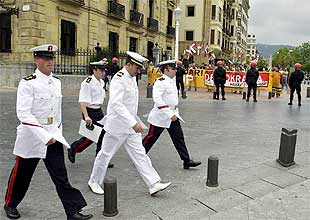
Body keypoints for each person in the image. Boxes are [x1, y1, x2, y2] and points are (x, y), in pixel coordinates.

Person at [3, 44, 93, 220]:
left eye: (51, 58)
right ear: (36, 60)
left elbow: (55, 113)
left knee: (61, 176)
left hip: (54, 138)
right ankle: (10, 204)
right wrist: (44, 136)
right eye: (45, 58)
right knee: (22, 175)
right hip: (32, 139)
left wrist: (57, 133)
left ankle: (72, 211)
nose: (50, 62)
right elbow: (23, 113)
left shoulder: (57, 82)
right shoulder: (28, 83)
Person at [88, 51, 171, 196]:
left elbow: (130, 104)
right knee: (105, 154)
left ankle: (153, 184)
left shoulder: (132, 77)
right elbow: (116, 104)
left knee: (140, 154)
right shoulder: (119, 79)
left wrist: (134, 122)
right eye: (137, 68)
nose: (139, 71)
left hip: (131, 126)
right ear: (129, 64)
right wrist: (133, 122)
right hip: (117, 126)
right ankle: (94, 181)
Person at [142, 60, 201, 169]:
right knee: (151, 138)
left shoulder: (171, 80)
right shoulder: (160, 81)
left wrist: (172, 113)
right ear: (166, 69)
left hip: (173, 114)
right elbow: (157, 99)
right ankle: (139, 156)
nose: (175, 70)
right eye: (173, 68)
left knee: (179, 138)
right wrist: (169, 113)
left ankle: (186, 160)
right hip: (161, 115)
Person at [68, 59, 113, 168]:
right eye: (101, 70)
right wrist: (86, 116)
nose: (103, 73)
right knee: (90, 138)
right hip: (89, 111)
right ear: (94, 70)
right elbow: (83, 101)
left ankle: (101, 160)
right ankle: (73, 148)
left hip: (98, 111)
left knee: (102, 135)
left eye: (104, 71)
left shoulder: (101, 82)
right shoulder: (87, 83)